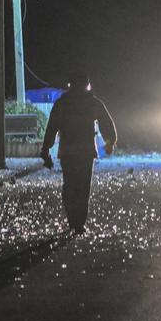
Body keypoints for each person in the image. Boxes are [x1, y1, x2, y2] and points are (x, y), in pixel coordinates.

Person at [40, 71, 119, 233]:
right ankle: (79, 223)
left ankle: (72, 219)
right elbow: (106, 123)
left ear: (70, 85)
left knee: (70, 185)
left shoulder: (62, 103)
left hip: (68, 152)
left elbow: (52, 127)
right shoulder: (93, 103)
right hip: (85, 152)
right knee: (83, 187)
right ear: (86, 85)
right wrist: (110, 141)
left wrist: (46, 149)